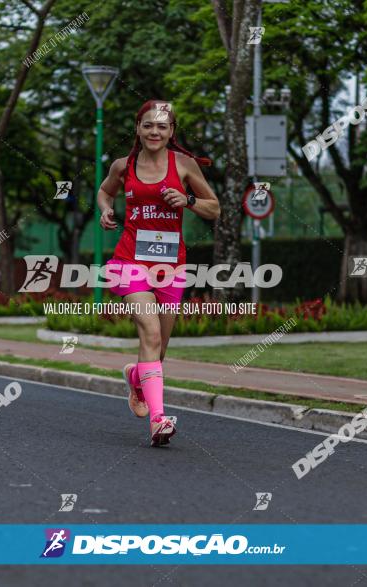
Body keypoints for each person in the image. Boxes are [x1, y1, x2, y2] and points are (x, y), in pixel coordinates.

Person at [97, 100, 220, 446]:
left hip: (171, 267)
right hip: (129, 263)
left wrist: (189, 202)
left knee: (158, 350)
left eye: (162, 126)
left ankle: (135, 374)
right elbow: (105, 191)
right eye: (148, 125)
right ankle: (158, 419)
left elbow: (214, 207)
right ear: (138, 128)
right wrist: (106, 211)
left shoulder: (184, 165)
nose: (155, 131)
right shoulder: (124, 165)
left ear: (172, 132)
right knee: (150, 331)